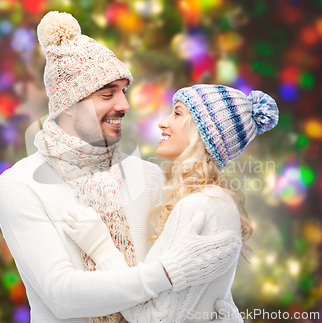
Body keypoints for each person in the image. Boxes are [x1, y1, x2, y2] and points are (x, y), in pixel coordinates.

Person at [0, 11, 236, 323]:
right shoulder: (21, 185)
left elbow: (172, 304)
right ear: (68, 105)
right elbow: (63, 296)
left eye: (123, 91)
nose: (124, 105)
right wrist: (169, 272)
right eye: (107, 94)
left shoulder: (149, 177)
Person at [62, 84, 280, 322]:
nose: (163, 122)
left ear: (202, 131)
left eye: (177, 113)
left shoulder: (198, 205)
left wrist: (100, 248)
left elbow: (153, 318)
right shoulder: (218, 201)